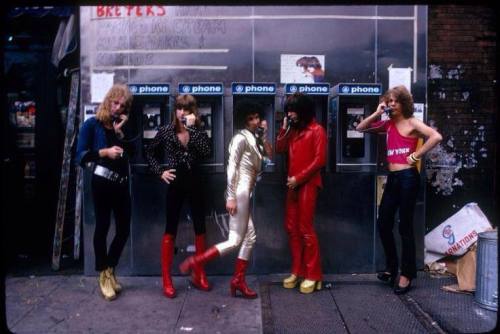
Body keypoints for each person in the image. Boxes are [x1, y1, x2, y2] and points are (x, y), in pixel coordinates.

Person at [179, 99, 271, 299]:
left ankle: (238, 280)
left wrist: (264, 135)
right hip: (239, 192)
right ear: (243, 121)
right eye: (251, 119)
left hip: (245, 191)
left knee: (250, 237)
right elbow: (231, 168)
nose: (255, 121)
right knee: (235, 239)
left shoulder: (254, 138)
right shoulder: (240, 138)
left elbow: (269, 156)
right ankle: (197, 261)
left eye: (257, 117)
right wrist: (230, 197)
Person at [356, 85, 442, 294]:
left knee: (405, 226)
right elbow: (360, 128)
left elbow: (435, 136)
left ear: (404, 103)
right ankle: (392, 268)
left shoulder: (412, 122)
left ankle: (407, 274)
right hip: (393, 178)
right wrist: (378, 112)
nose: (392, 103)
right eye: (389, 100)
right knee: (383, 222)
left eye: (395, 100)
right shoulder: (387, 124)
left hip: (408, 177)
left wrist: (416, 155)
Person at [145, 94, 211, 298]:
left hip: (195, 181)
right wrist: (160, 171)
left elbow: (206, 152)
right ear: (175, 111)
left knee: (200, 227)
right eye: (180, 109)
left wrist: (192, 130)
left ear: (193, 112)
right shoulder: (166, 131)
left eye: (187, 109)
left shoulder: (198, 131)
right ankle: (167, 279)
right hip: (175, 182)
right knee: (170, 228)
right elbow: (149, 152)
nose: (183, 113)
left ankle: (199, 274)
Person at [76, 84, 134, 301]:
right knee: (102, 227)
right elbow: (80, 155)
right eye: (115, 102)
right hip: (101, 182)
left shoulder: (122, 126)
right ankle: (103, 275)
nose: (118, 107)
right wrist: (104, 152)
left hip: (121, 183)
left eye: (122, 105)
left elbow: (133, 152)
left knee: (123, 229)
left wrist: (120, 133)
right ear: (108, 100)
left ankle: (110, 268)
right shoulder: (92, 124)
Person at [276, 92, 327, 294]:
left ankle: (314, 275)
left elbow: (319, 160)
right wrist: (284, 126)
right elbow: (279, 148)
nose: (291, 114)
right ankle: (297, 271)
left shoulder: (317, 130)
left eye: (293, 111)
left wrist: (299, 178)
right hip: (293, 184)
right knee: (291, 228)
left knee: (305, 228)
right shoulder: (293, 131)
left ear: (303, 111)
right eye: (289, 111)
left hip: (307, 183)